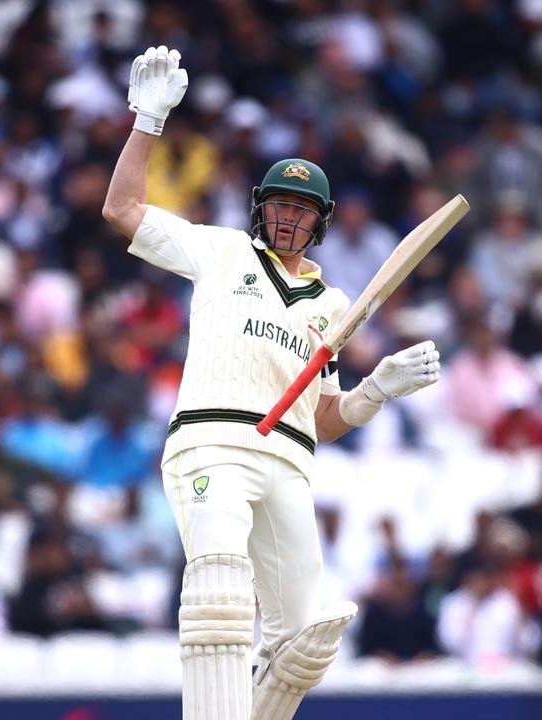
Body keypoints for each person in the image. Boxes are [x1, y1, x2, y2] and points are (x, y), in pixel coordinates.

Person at [103, 46, 443, 720]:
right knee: (221, 592)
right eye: (280, 204)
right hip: (214, 445)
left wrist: (377, 387)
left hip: (289, 462)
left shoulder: (332, 304)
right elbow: (121, 210)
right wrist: (148, 119)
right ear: (261, 208)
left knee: (299, 645)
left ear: (321, 221)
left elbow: (322, 416)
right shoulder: (223, 251)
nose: (289, 218)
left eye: (302, 209)